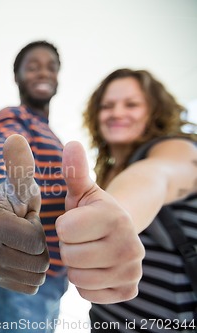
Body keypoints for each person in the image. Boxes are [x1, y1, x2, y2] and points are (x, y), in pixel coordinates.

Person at [0, 41, 146, 333]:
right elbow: (3, 160)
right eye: (33, 67)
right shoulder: (14, 116)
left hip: (51, 276)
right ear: (17, 77)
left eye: (51, 67)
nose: (43, 72)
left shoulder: (53, 135)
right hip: (19, 273)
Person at [83, 68, 197, 332]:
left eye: (131, 104)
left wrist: (112, 219)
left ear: (154, 112)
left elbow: (156, 176)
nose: (117, 113)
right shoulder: (106, 172)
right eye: (107, 106)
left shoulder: (176, 149)